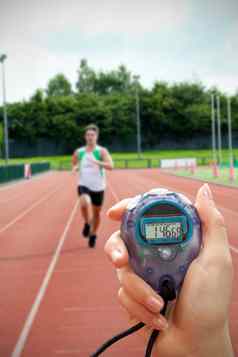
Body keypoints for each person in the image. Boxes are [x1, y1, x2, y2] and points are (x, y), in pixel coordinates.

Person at [104, 184, 234, 356]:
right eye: (156, 230)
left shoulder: (137, 215)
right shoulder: (184, 214)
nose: (165, 252)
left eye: (169, 230)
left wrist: (207, 341)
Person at [72, 124, 113, 248]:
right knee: (84, 202)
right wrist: (75, 167)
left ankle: (93, 234)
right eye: (88, 135)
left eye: (92, 135)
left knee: (96, 214)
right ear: (85, 137)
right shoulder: (79, 152)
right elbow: (75, 163)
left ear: (96, 136)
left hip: (98, 186)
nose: (90, 137)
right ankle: (87, 223)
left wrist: (98, 162)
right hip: (83, 184)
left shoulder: (101, 151)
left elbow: (110, 166)